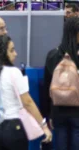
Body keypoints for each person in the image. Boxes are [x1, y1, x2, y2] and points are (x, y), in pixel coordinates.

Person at [0, 35, 52, 150]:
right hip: (14, 126)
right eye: (12, 50)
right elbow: (27, 102)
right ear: (3, 53)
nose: (16, 54)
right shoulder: (13, 72)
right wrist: (44, 126)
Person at [44, 17, 79, 150]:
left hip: (57, 110)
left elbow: (48, 87)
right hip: (77, 111)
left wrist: (47, 113)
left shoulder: (53, 55)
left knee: (60, 144)